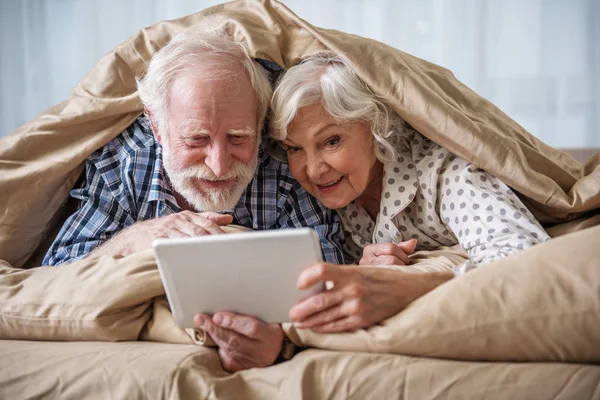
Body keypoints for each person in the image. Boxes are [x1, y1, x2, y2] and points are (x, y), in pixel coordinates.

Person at [43, 30, 344, 372]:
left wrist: (281, 344)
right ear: (157, 127)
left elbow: (330, 277)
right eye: (196, 139)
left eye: (238, 137)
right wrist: (132, 239)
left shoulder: (284, 169)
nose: (219, 165)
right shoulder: (122, 166)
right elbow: (55, 278)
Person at [270, 52, 551, 334]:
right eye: (295, 148)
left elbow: (527, 267)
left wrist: (409, 284)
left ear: (375, 124)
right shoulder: (309, 198)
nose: (314, 170)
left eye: (331, 141)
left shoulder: (446, 172)